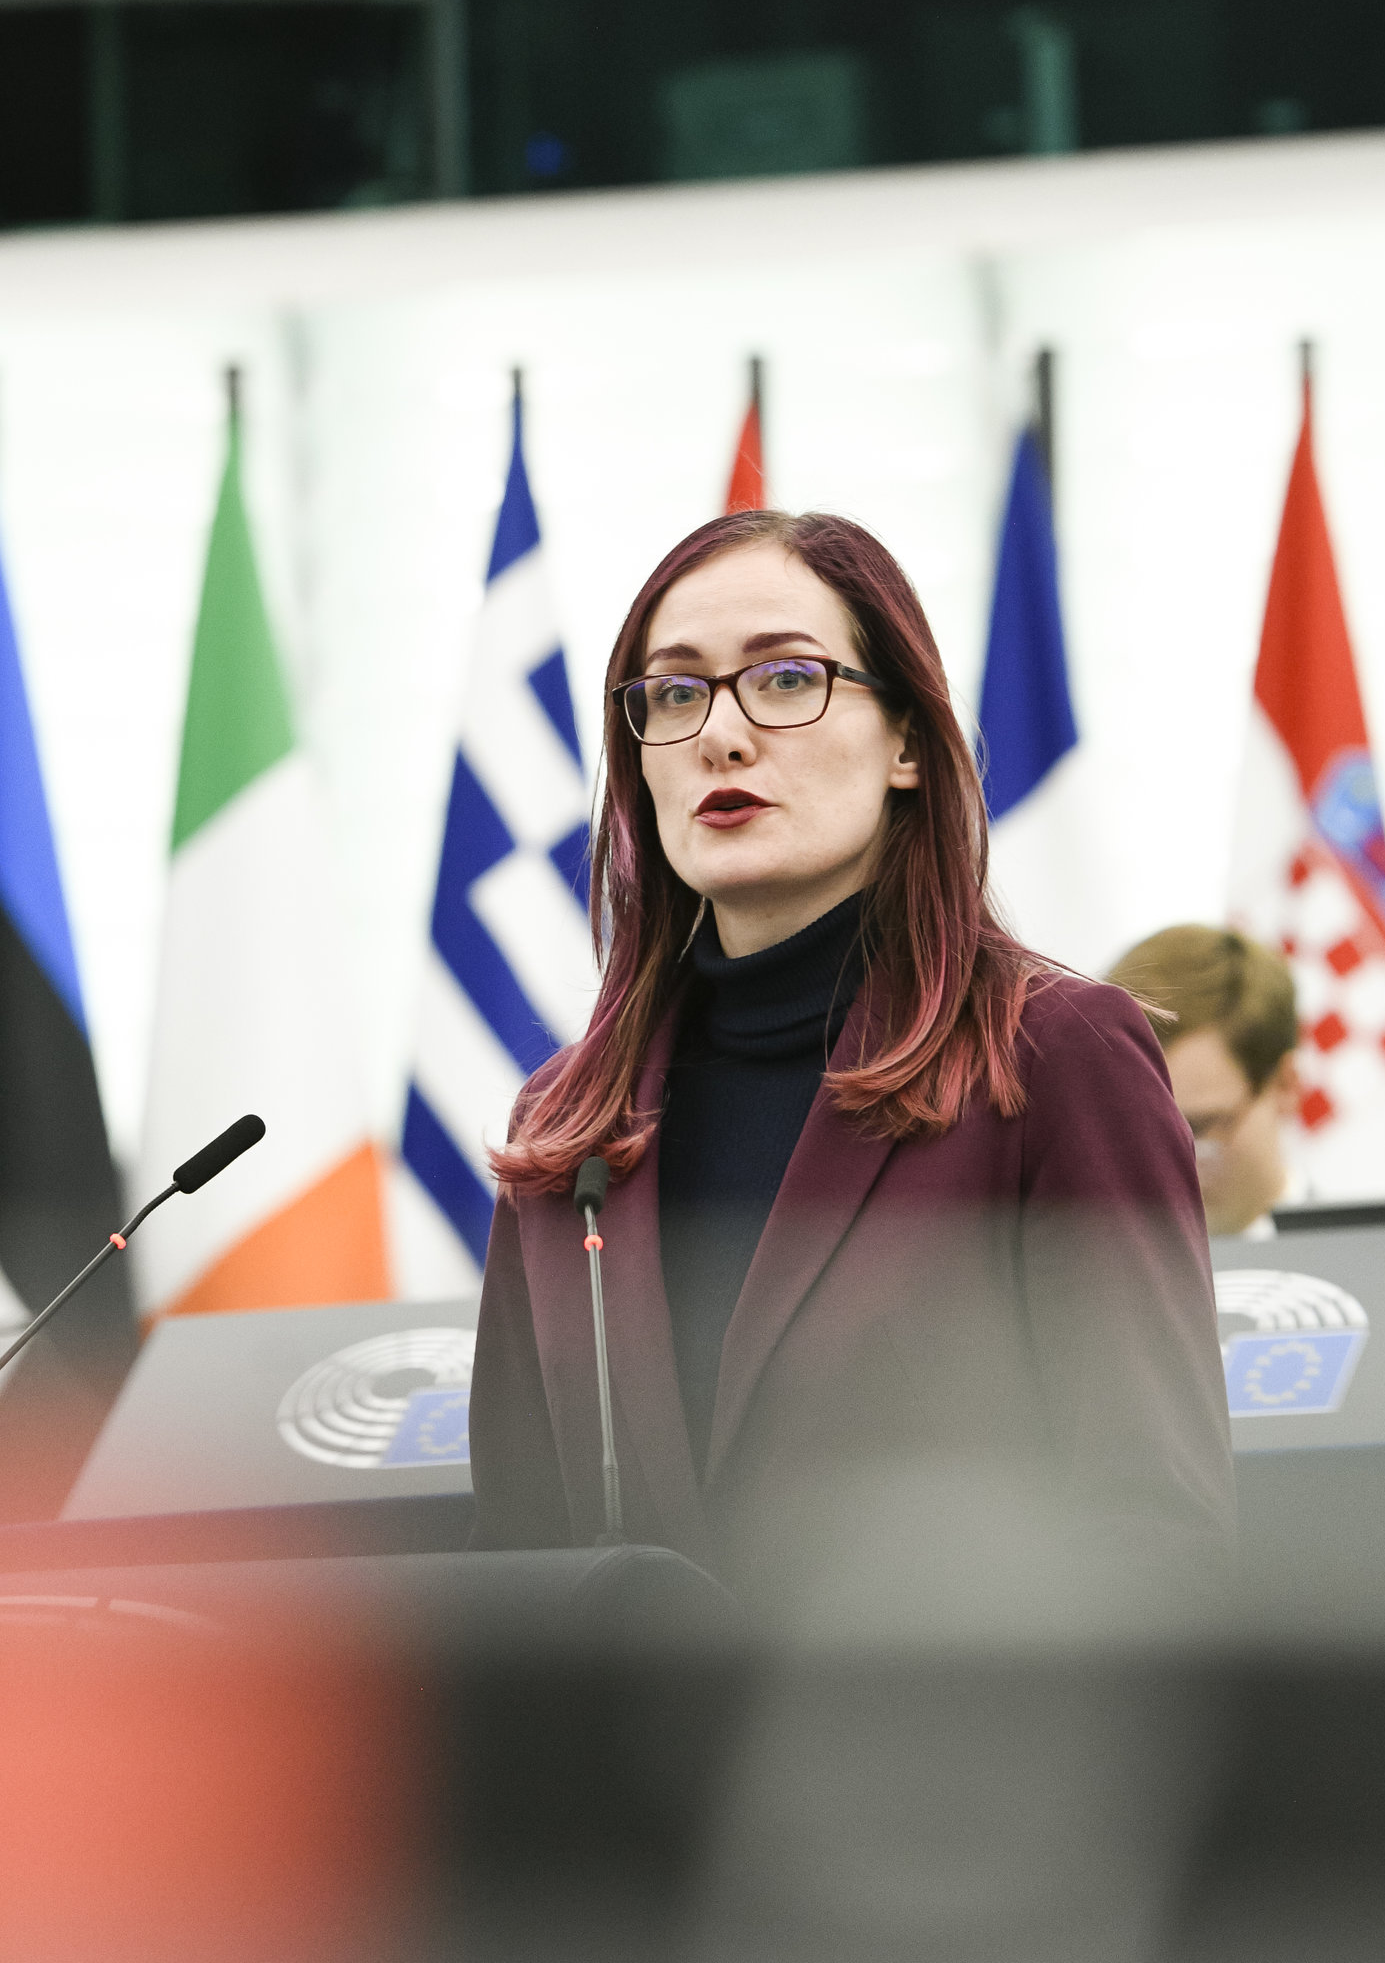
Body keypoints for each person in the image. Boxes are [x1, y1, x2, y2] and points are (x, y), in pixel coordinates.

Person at [469, 511, 1233, 1588]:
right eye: (675, 694)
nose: (720, 736)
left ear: (908, 745)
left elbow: (1158, 1542)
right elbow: (520, 1574)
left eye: (786, 678)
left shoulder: (1057, 1059)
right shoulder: (565, 1126)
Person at [1106, 926, 1300, 1237]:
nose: (1162, 1167)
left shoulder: (1367, 1260)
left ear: (1284, 1086)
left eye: (1197, 1128)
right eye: (1136, 1131)